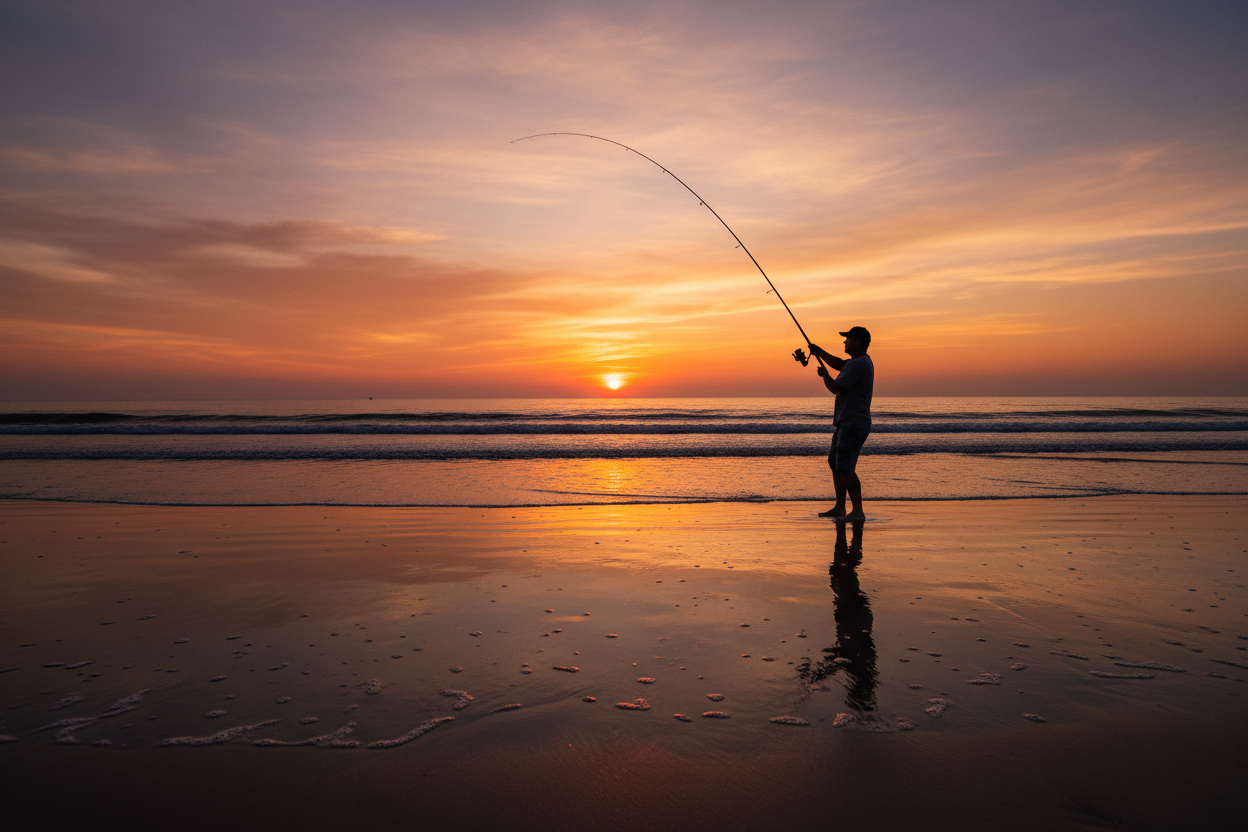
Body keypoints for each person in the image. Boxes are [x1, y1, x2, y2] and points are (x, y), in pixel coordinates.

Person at [807, 326, 873, 521]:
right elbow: (839, 363)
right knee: (835, 463)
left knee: (845, 467)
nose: (844, 342)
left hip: (853, 423)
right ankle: (840, 507)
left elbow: (835, 387)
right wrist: (819, 352)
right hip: (846, 422)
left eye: (847, 339)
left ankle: (858, 512)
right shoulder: (857, 362)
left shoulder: (858, 364)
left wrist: (825, 375)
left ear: (856, 342)